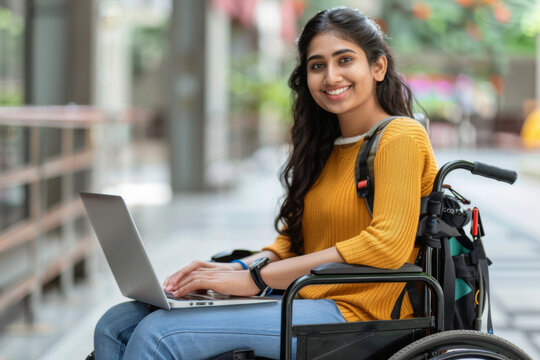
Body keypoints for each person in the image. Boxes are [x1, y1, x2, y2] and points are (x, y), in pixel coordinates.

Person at [93, 7, 437, 359]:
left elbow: (387, 245)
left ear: (377, 67)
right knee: (117, 323)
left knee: (159, 335)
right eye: (317, 65)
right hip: (305, 297)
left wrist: (257, 280)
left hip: (360, 314)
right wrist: (234, 269)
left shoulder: (401, 136)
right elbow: (293, 243)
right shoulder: (324, 148)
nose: (331, 76)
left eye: (344, 60)